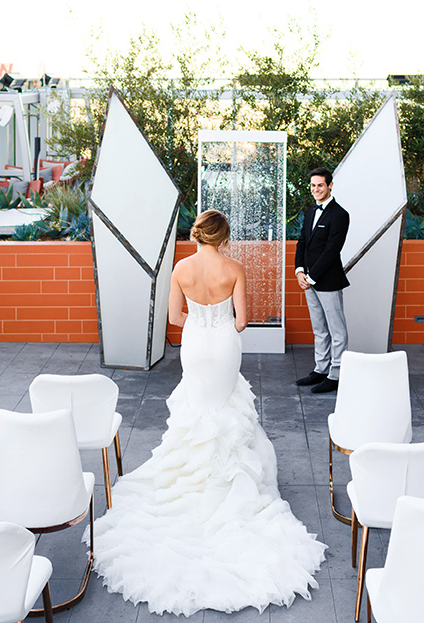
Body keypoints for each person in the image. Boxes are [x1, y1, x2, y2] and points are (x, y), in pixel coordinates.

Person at [90, 209, 327, 616]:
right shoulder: (233, 267)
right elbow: (242, 322)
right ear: (224, 237)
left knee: (196, 409)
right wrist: (219, 324)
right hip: (224, 347)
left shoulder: (181, 268)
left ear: (198, 235)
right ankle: (228, 479)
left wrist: (199, 324)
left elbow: (174, 318)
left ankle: (191, 477)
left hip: (195, 346)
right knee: (225, 408)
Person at [295, 167, 350, 394]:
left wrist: (312, 276)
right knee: (319, 329)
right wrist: (299, 272)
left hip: (327, 281)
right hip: (308, 279)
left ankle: (336, 375)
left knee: (337, 331)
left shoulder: (340, 215)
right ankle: (320, 370)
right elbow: (302, 243)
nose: (316, 189)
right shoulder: (310, 211)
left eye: (320, 185)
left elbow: (331, 250)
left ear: (330, 185)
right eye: (313, 186)